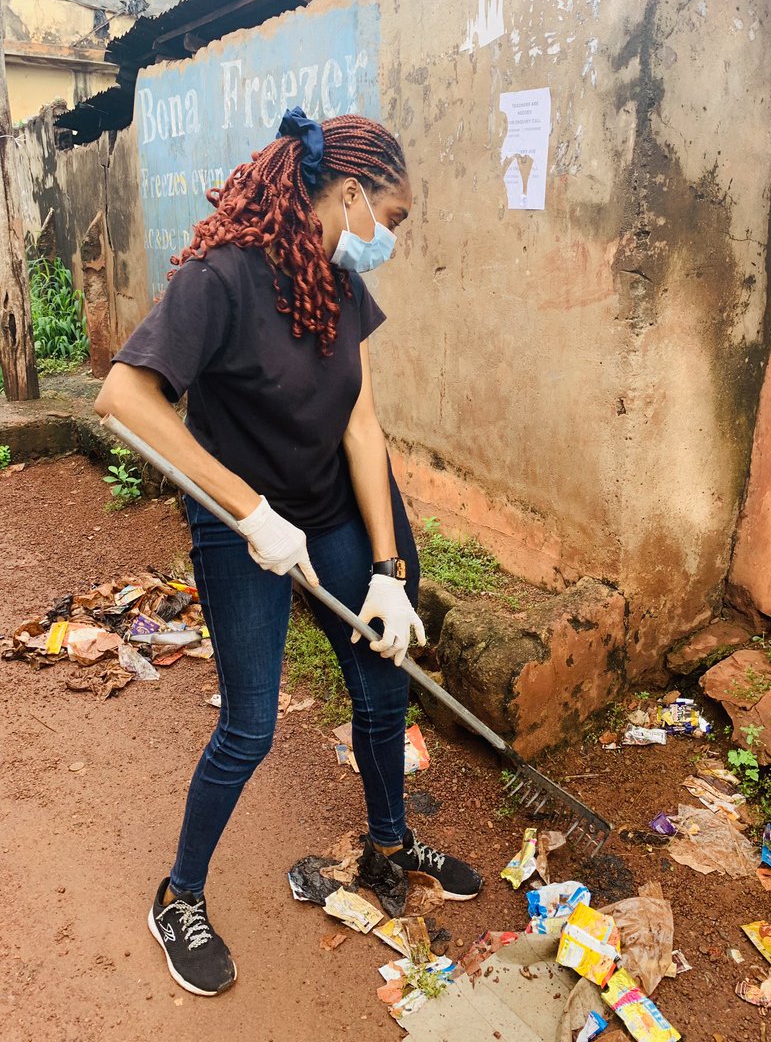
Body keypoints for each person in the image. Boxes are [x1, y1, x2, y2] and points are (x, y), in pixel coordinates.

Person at [95, 109, 483, 998]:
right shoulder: (219, 278)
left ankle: (390, 845)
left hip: (343, 514)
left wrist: (387, 570)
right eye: (395, 215)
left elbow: (359, 419)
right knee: (251, 726)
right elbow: (126, 395)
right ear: (350, 195)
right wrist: (250, 510)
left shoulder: (342, 280)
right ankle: (179, 895)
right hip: (245, 531)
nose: (393, 236)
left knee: (383, 691)